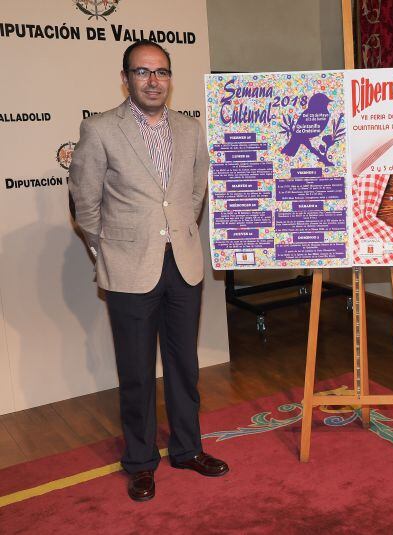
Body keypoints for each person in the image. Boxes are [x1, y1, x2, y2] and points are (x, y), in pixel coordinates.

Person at [69, 39, 228, 502]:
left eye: (161, 72)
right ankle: (140, 462)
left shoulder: (190, 129)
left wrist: (175, 230)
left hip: (184, 266)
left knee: (185, 367)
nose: (153, 80)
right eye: (142, 72)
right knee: (137, 372)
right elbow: (86, 203)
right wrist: (110, 250)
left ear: (170, 78)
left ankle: (187, 449)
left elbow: (195, 191)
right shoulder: (99, 130)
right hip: (128, 269)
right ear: (126, 79)